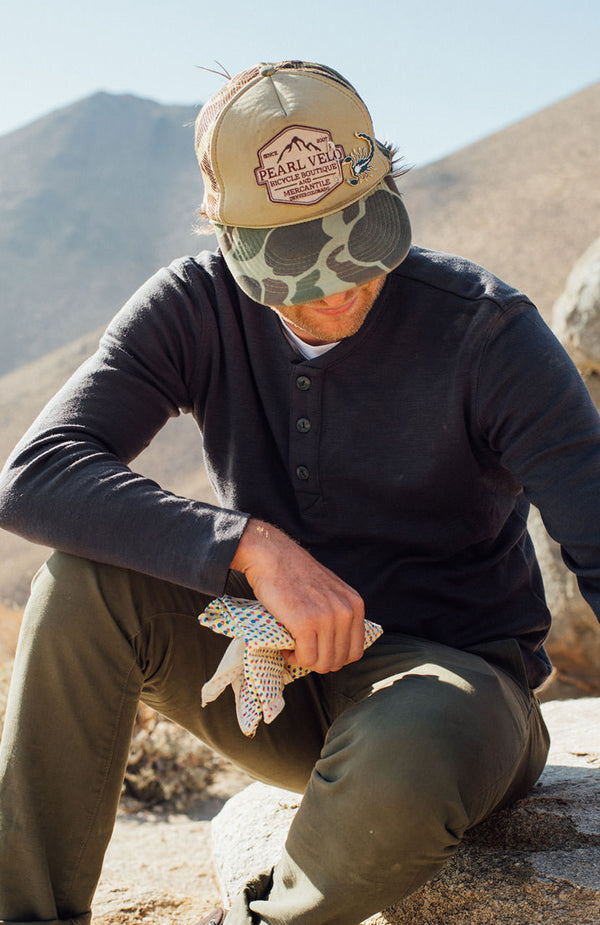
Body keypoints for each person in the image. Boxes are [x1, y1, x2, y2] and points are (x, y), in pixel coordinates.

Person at [0, 58, 598, 925]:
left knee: (416, 743)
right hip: (270, 672)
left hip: (455, 701)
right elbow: (36, 474)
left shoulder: (487, 331)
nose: (344, 285)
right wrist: (252, 547)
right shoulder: (193, 307)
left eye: (360, 239)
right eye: (299, 266)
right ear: (223, 229)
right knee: (80, 583)